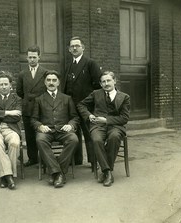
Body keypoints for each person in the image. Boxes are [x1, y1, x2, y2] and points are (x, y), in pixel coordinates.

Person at [77, 71, 130, 187]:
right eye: (103, 82)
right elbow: (81, 105)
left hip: (116, 126)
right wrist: (89, 115)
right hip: (97, 126)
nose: (106, 83)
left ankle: (106, 171)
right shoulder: (96, 94)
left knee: (114, 137)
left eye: (109, 80)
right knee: (96, 140)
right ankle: (107, 172)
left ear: (114, 81)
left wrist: (106, 120)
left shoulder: (124, 97)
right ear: (100, 84)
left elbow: (124, 118)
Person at [31, 70, 79, 188]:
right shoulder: (39, 99)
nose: (51, 82)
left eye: (54, 80)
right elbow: (33, 119)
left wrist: (71, 125)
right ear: (44, 82)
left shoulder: (67, 98)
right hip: (47, 131)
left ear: (58, 83)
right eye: (48, 80)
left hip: (63, 130)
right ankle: (59, 173)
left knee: (74, 139)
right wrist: (40, 126)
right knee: (40, 140)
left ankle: (55, 172)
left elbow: (75, 117)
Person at [62, 36, 102, 167]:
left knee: (89, 133)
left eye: (77, 46)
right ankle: (77, 160)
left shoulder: (90, 63)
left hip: (86, 106)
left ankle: (93, 161)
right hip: (72, 106)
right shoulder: (68, 66)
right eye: (72, 46)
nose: (74, 48)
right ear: (69, 49)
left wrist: (91, 103)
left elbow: (98, 85)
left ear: (83, 48)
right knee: (74, 132)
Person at [16, 45, 48, 167]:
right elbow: (19, 91)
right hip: (28, 108)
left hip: (41, 107)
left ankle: (44, 158)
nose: (32, 59)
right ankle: (32, 158)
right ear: (27, 58)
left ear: (39, 57)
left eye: (34, 57)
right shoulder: (22, 73)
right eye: (30, 57)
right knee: (29, 135)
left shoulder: (45, 73)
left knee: (42, 133)